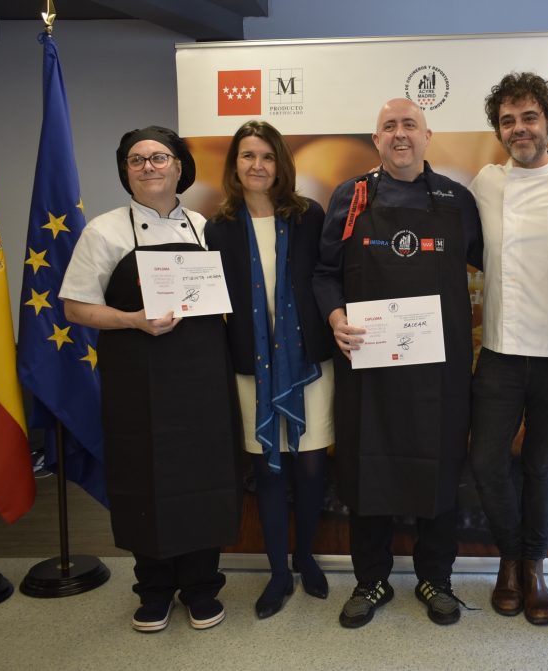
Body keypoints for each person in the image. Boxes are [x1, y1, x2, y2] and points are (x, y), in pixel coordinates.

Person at [60, 126, 241, 633]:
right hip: (136, 379)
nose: (148, 167)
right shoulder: (105, 231)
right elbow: (75, 307)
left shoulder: (205, 227)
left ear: (179, 167)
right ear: (126, 172)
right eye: (136, 160)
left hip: (202, 377)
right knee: (144, 476)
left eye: (159, 158)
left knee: (204, 477)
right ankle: (155, 589)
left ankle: (202, 586)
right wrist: (133, 320)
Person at [313, 98, 483, 628]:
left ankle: (436, 578)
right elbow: (324, 272)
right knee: (367, 468)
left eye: (410, 124)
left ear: (428, 136)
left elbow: (495, 262)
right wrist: (335, 317)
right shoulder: (351, 196)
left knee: (441, 468)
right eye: (389, 126)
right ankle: (371, 580)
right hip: (369, 364)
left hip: (440, 368)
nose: (400, 134)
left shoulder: (457, 199)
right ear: (376, 140)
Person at [468, 71, 548, 626]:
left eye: (529, 117)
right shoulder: (486, 182)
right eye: (508, 121)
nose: (519, 129)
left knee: (542, 463)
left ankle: (534, 567)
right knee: (486, 461)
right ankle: (510, 557)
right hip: (500, 349)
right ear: (498, 130)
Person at [204, 121, 335, 620]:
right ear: (234, 164)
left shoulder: (309, 216)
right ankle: (278, 571)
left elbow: (327, 278)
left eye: (266, 156)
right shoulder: (217, 227)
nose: (257, 165)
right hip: (251, 368)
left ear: (280, 163)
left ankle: (306, 558)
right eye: (247, 156)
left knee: (310, 465)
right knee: (267, 468)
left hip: (308, 365)